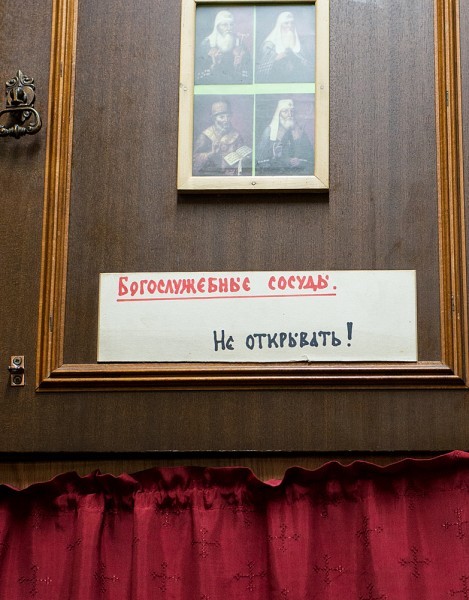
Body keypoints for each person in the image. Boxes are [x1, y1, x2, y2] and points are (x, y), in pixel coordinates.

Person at [193, 100, 251, 176]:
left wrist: (245, 157)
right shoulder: (205, 136)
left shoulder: (236, 134)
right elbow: (194, 160)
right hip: (213, 174)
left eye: (228, 116)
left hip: (233, 173)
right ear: (214, 119)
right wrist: (211, 153)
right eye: (221, 117)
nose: (226, 120)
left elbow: (241, 152)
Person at [256, 99, 313, 175]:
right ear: (278, 114)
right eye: (285, 111)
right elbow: (260, 160)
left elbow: (310, 157)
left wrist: (299, 162)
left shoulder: (300, 132)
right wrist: (278, 158)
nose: (290, 114)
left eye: (292, 111)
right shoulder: (269, 132)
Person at [195, 10, 252, 84]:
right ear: (217, 27)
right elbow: (199, 71)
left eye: (231, 25)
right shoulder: (207, 43)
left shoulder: (240, 43)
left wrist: (239, 65)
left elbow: (248, 70)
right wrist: (213, 66)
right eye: (224, 25)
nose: (229, 28)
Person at [257, 11, 313, 83]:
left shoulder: (301, 44)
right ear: (280, 25)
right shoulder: (268, 45)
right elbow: (260, 71)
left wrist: (295, 57)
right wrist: (275, 59)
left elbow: (310, 68)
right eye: (286, 23)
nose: (290, 26)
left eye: (292, 23)